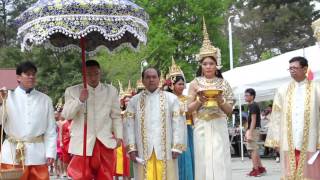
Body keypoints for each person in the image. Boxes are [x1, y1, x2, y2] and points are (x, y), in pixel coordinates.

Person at [187, 19, 233, 180]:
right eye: (205, 63)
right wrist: (199, 100)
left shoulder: (223, 83)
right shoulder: (194, 83)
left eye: (211, 63)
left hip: (219, 124)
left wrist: (220, 99)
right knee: (203, 162)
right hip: (201, 125)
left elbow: (229, 111)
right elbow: (187, 109)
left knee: (220, 161)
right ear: (201, 65)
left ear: (216, 65)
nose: (208, 66)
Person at [62, 60, 122, 180]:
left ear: (100, 73)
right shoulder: (72, 91)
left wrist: (119, 136)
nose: (93, 77)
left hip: (104, 141)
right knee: (81, 177)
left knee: (106, 176)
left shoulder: (111, 91)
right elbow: (67, 115)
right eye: (89, 74)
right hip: (82, 142)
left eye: (96, 73)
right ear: (83, 75)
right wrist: (80, 100)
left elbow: (116, 115)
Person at [124, 67, 186, 180]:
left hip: (166, 149)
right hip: (142, 149)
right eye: (147, 77)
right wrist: (131, 148)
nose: (151, 80)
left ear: (159, 79)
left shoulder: (171, 99)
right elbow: (129, 125)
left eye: (154, 77)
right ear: (143, 80)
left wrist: (177, 146)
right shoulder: (134, 101)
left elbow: (178, 123)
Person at [265, 56, 320, 180]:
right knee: (290, 173)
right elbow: (276, 116)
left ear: (305, 69)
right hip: (288, 140)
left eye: (295, 68)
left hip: (311, 140)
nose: (292, 70)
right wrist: (276, 140)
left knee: (310, 173)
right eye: (290, 68)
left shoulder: (317, 89)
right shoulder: (282, 90)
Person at [0, 61, 56, 180]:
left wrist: (50, 152)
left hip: (38, 154)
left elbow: (51, 129)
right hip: (11, 154)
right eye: (27, 74)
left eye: (33, 74)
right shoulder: (7, 97)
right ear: (18, 77)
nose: (31, 77)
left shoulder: (45, 100)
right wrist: (2, 102)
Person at [167, 57, 194, 180]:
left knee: (186, 156)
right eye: (179, 84)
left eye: (183, 84)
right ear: (172, 85)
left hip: (187, 129)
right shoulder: (167, 99)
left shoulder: (188, 99)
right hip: (171, 130)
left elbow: (192, 114)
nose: (182, 86)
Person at [244, 88, 266, 177]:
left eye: (247, 95)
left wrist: (250, 132)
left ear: (252, 96)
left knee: (253, 150)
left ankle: (256, 170)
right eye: (245, 95)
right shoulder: (251, 105)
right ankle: (260, 168)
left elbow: (253, 120)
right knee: (254, 149)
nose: (245, 97)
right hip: (254, 129)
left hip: (254, 129)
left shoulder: (253, 105)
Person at [114, 81, 133, 180]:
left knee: (128, 159)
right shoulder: (120, 112)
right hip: (121, 137)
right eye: (125, 101)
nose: (127, 102)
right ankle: (118, 177)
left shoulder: (134, 111)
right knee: (119, 158)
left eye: (129, 100)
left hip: (131, 137)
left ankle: (128, 177)